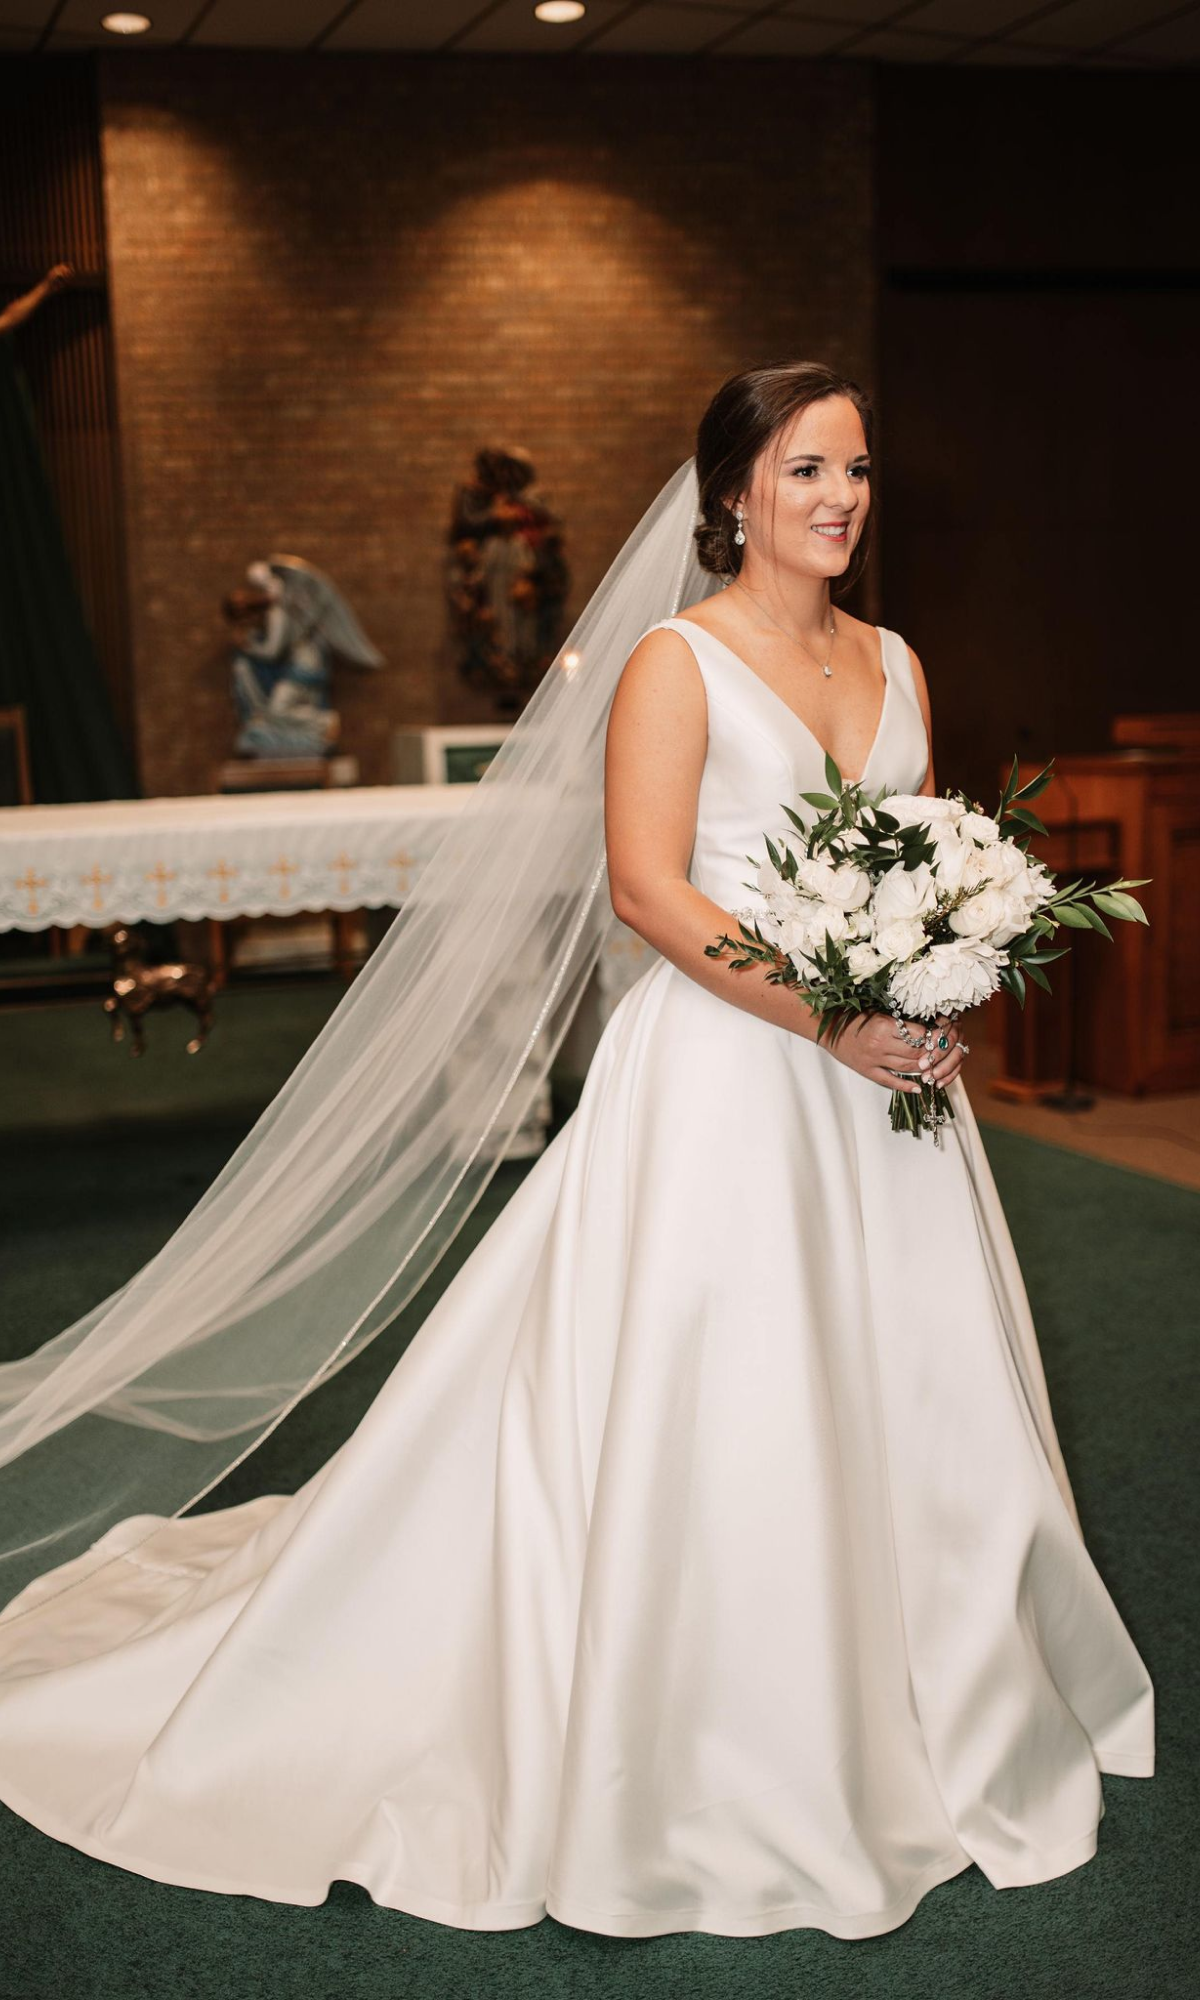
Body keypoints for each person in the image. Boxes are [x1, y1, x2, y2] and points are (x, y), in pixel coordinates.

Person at [0, 361, 1153, 1941]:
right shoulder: (675, 664)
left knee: (915, 1383)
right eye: (808, 469)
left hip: (885, 1092)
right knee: (719, 1389)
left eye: (861, 471)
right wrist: (831, 1015)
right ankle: (725, 1731)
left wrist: (936, 973)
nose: (840, 498)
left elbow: (919, 854)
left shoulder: (899, 659)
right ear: (734, 491)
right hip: (736, 1084)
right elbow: (650, 893)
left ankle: (925, 1684)